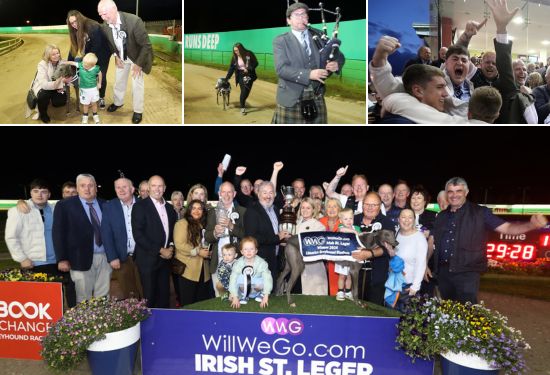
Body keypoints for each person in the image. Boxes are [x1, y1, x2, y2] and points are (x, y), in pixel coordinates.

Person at [432, 177, 547, 304]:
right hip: (444, 273)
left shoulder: (480, 213)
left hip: (467, 272)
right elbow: (434, 242)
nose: (454, 195)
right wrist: (427, 263)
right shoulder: (441, 216)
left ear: (466, 192)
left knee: (467, 312)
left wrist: (531, 226)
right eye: (450, 191)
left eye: (458, 191)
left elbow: (507, 228)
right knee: (447, 311)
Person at [5, 178, 76, 307]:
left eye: (43, 191)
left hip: (59, 261)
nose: (39, 194)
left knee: (71, 292)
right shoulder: (18, 211)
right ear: (30, 193)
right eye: (36, 191)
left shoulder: (57, 209)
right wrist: (22, 258)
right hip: (35, 263)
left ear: (49, 194)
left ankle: (74, 320)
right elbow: (11, 237)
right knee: (44, 301)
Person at [271, 2, 344, 124]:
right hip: (291, 96)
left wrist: (336, 64)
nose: (301, 17)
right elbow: (281, 69)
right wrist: (309, 74)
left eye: (304, 15)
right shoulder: (280, 41)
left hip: (316, 95)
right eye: (297, 15)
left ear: (308, 18)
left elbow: (339, 55)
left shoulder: (319, 35)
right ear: (288, 20)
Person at [53, 173, 110, 303]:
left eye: (90, 185)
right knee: (83, 297)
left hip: (105, 257)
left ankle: (101, 322)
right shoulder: (64, 206)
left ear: (96, 188)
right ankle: (85, 323)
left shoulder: (105, 204)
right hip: (78, 258)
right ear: (77, 188)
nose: (87, 189)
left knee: (103, 297)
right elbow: (58, 234)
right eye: (83, 185)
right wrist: (62, 258)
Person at [97, 0, 153, 124]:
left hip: (136, 56)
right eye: (100, 15)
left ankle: (138, 110)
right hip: (121, 56)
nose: (103, 18)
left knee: (136, 84)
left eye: (105, 14)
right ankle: (118, 102)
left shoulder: (134, 21)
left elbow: (146, 46)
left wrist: (138, 64)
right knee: (119, 80)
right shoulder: (106, 25)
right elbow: (111, 43)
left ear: (114, 9)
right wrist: (116, 55)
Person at [131, 175, 177, 308]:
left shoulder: (170, 208)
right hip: (147, 260)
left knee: (164, 297)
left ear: (165, 188)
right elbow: (138, 235)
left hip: (165, 260)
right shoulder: (140, 207)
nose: (157, 189)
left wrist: (171, 248)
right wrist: (160, 250)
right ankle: (149, 328)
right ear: (149, 188)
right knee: (149, 297)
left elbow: (173, 232)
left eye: (160, 186)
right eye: (154, 186)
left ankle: (163, 327)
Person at [100, 177, 143, 300]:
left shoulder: (143, 204)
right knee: (129, 294)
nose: (121, 190)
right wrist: (112, 257)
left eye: (124, 187)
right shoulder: (109, 206)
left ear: (132, 189)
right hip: (121, 259)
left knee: (145, 290)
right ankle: (134, 318)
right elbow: (106, 233)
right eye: (118, 187)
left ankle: (150, 317)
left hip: (142, 257)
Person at [204, 182, 246, 297]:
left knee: (238, 295)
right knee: (220, 296)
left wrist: (231, 226)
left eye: (229, 192)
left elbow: (247, 236)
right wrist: (215, 233)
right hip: (218, 261)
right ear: (219, 193)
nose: (226, 195)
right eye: (223, 192)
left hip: (238, 261)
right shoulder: (212, 212)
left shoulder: (242, 211)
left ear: (235, 194)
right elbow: (207, 236)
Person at [244, 181, 291, 283]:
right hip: (260, 261)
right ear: (258, 193)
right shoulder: (252, 211)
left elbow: (275, 232)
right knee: (260, 294)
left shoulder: (275, 209)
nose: (268, 196)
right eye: (264, 193)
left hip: (275, 259)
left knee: (272, 294)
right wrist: (277, 238)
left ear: (274, 194)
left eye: (271, 192)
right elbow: (252, 238)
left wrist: (281, 241)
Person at [66, 9, 111, 109]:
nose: (74, 24)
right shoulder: (75, 30)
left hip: (103, 53)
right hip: (89, 53)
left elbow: (97, 45)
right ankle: (89, 95)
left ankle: (101, 97)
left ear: (80, 18)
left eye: (75, 21)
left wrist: (85, 61)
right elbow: (73, 48)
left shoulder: (92, 26)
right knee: (86, 73)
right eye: (71, 23)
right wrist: (68, 63)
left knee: (101, 75)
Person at [173, 199, 211, 306]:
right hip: (188, 271)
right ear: (189, 210)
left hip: (204, 271)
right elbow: (180, 244)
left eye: (200, 209)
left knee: (202, 304)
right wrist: (198, 251)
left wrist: (209, 252)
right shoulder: (182, 224)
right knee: (188, 303)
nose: (196, 211)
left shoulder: (204, 225)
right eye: (194, 208)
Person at [30, 44, 73, 123]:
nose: (57, 56)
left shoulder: (62, 62)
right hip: (44, 87)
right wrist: (60, 82)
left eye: (57, 53)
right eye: (53, 54)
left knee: (60, 102)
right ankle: (43, 114)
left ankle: (52, 104)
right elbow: (44, 84)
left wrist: (68, 79)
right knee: (43, 96)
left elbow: (68, 75)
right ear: (48, 55)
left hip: (58, 86)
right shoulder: (42, 64)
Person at [229, 236, 272, 308]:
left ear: (256, 251)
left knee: (265, 278)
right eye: (245, 249)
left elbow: (268, 279)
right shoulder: (237, 264)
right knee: (238, 278)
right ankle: (243, 296)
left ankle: (261, 294)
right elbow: (233, 279)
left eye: (251, 249)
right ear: (242, 251)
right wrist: (235, 296)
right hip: (243, 290)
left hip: (257, 289)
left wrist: (266, 295)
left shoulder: (262, 263)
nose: (248, 251)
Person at [295, 198, 327, 295]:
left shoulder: (319, 226)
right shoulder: (295, 223)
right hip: (295, 266)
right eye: (302, 208)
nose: (304, 210)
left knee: (314, 298)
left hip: (312, 268)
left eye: (308, 208)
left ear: (313, 209)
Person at [394, 209, 427, 297]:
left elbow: (421, 264)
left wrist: (415, 287)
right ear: (398, 219)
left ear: (414, 220)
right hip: (394, 283)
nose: (406, 220)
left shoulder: (419, 238)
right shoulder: (396, 235)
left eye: (410, 217)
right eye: (403, 217)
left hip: (409, 286)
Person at [62, 53, 103, 124]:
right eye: (83, 63)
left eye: (86, 65)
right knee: (85, 104)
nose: (84, 66)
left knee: (94, 103)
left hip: (93, 90)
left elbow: (100, 73)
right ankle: (85, 116)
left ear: (92, 65)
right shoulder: (81, 65)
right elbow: (72, 62)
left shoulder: (96, 68)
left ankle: (95, 114)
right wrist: (65, 62)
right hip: (84, 91)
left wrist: (99, 83)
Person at [335, 208, 361, 301]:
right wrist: (354, 232)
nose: (349, 221)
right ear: (341, 220)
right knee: (342, 275)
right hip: (342, 256)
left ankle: (348, 292)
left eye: (350, 218)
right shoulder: (340, 227)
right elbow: (342, 230)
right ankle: (340, 291)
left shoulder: (357, 228)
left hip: (353, 256)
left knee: (350, 274)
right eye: (345, 219)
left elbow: (360, 239)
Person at [225, 42, 258, 115]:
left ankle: (242, 102)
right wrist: (227, 78)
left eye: (237, 50)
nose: (236, 52)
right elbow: (231, 68)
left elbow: (255, 63)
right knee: (243, 91)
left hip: (249, 75)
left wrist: (249, 69)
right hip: (240, 75)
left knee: (246, 92)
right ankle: (242, 108)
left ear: (241, 49)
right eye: (234, 51)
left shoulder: (248, 54)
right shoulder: (234, 57)